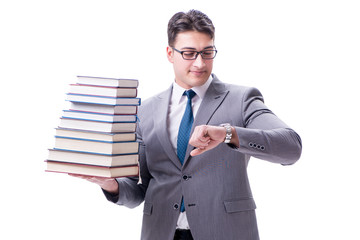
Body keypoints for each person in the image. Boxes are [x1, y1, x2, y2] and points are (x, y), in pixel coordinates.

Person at [72, 9, 302, 240]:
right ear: (170, 53)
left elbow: (291, 148)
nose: (200, 63)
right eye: (190, 53)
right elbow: (138, 191)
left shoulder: (241, 99)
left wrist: (227, 134)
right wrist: (111, 184)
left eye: (207, 52)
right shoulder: (145, 111)